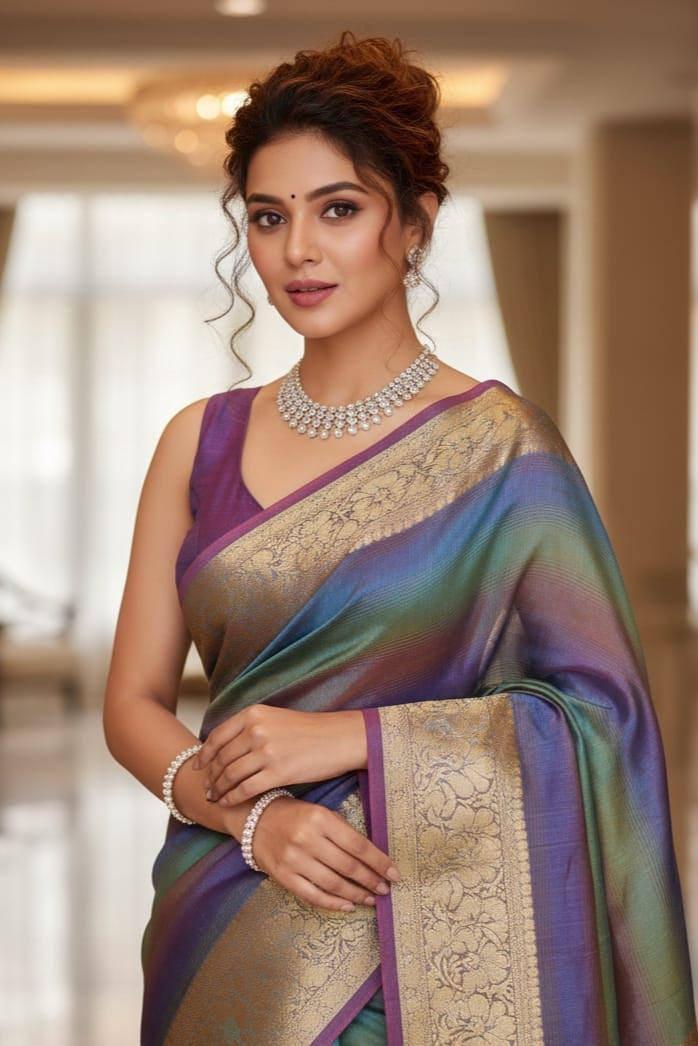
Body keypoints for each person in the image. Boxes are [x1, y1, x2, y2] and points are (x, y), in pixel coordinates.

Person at [103, 33, 697, 1046]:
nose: (298, 250)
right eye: (267, 216)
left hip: (417, 925)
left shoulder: (499, 450)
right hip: (222, 909)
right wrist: (252, 818)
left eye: (338, 209)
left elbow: (599, 715)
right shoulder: (196, 441)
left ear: (413, 223)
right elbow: (132, 703)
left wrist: (352, 738)